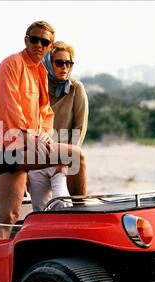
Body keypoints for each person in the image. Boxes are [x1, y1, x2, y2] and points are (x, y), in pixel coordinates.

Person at [0, 21, 87, 240]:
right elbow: (9, 105)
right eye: (34, 39)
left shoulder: (41, 73)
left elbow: (45, 111)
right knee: (75, 156)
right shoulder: (11, 64)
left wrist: (44, 131)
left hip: (24, 147)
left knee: (8, 216)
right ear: (26, 40)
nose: (39, 45)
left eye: (45, 41)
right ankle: (84, 215)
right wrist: (31, 134)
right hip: (9, 145)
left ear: (50, 46)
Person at [27, 41, 89, 211]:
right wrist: (25, 169)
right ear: (48, 62)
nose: (65, 67)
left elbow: (80, 128)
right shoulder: (36, 90)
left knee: (62, 205)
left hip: (63, 159)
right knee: (39, 211)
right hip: (37, 159)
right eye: (59, 63)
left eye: (68, 63)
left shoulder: (76, 89)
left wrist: (65, 160)